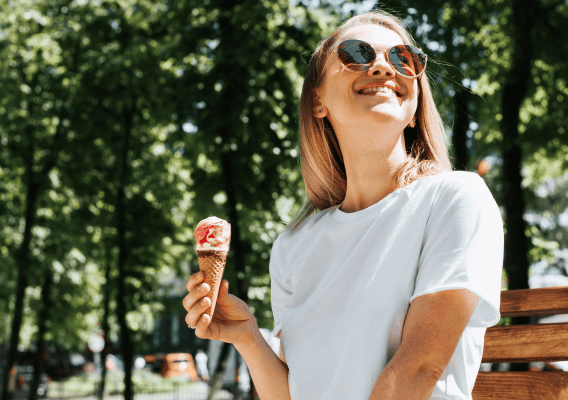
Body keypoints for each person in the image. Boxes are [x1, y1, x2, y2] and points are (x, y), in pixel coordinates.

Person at [183, 10, 503, 400]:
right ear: (317, 100)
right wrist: (247, 335)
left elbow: (418, 370)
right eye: (357, 53)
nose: (385, 67)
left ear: (416, 101)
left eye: (405, 58)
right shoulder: (293, 245)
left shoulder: (456, 199)